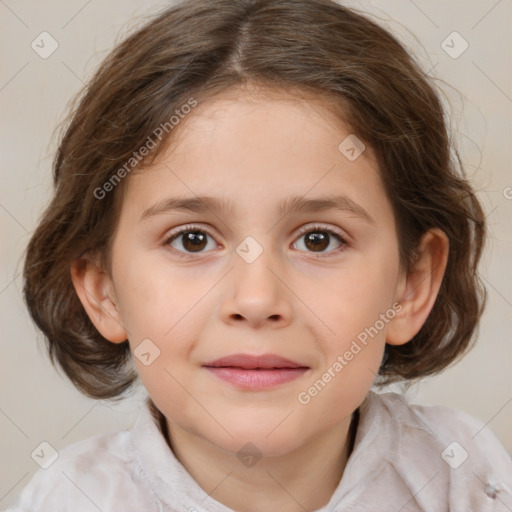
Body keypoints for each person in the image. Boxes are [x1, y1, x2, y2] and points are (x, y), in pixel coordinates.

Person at [7, 0, 512, 510]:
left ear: (412, 282)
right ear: (103, 289)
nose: (255, 299)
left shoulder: (466, 478)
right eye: (192, 240)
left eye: (319, 239)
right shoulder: (68, 499)